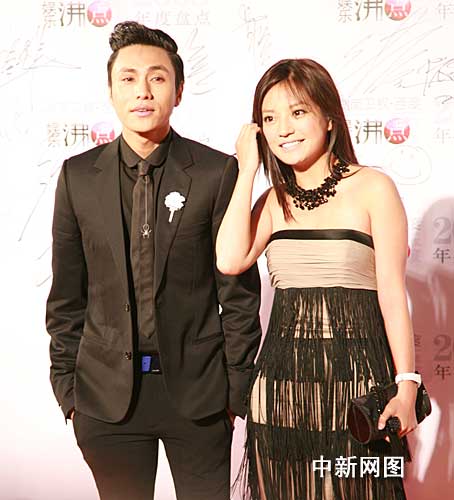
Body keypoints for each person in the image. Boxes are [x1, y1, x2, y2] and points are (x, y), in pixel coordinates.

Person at [46, 21, 261, 500]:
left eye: (157, 78)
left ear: (178, 91)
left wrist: (234, 392)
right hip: (105, 400)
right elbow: (66, 298)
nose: (142, 91)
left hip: (199, 395)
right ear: (110, 91)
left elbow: (238, 295)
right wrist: (69, 392)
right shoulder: (78, 176)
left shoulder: (215, 172)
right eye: (128, 78)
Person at [216, 58, 420, 499]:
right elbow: (230, 260)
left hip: (356, 385)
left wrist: (407, 386)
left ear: (329, 118)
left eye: (297, 112)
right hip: (279, 390)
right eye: (270, 118)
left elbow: (391, 294)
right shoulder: (273, 201)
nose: (283, 129)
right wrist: (247, 169)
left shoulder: (373, 188)